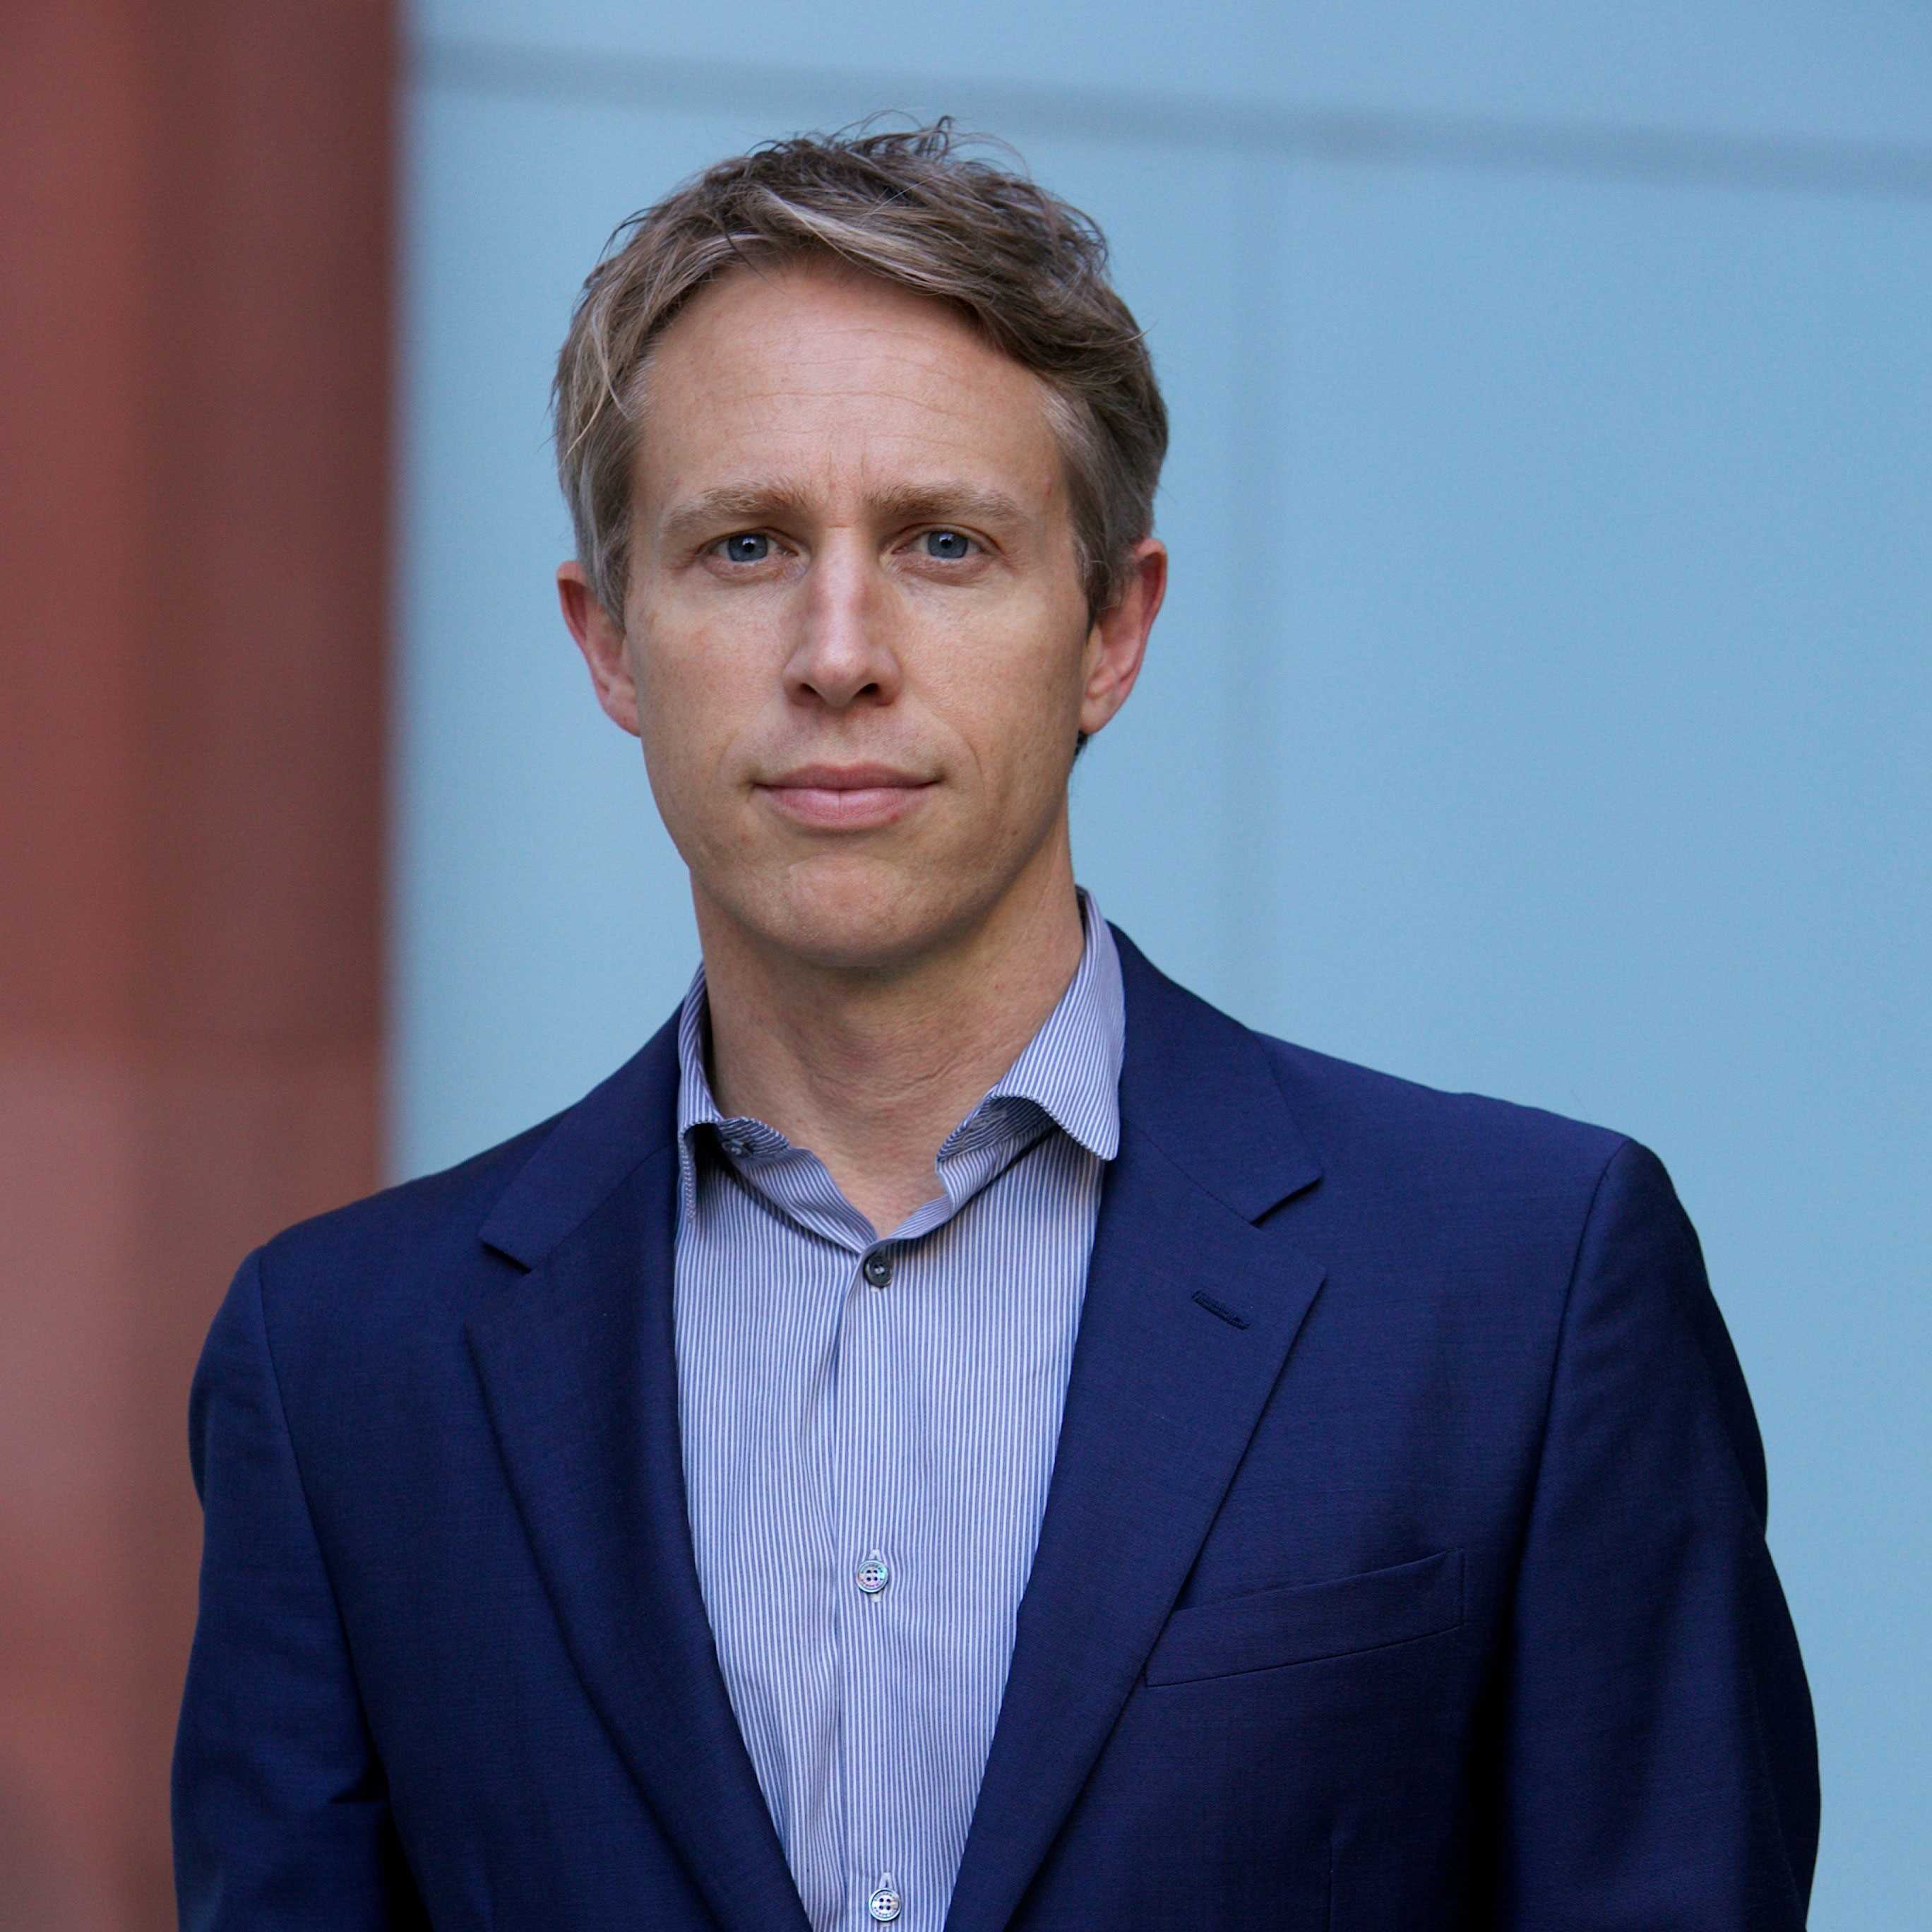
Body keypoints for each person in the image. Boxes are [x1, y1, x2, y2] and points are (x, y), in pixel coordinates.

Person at [172, 123, 1818, 1930]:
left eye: (945, 543)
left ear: (1112, 627)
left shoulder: (1522, 1291)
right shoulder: (343, 1372)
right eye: (744, 545)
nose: (839, 650)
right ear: (612, 640)